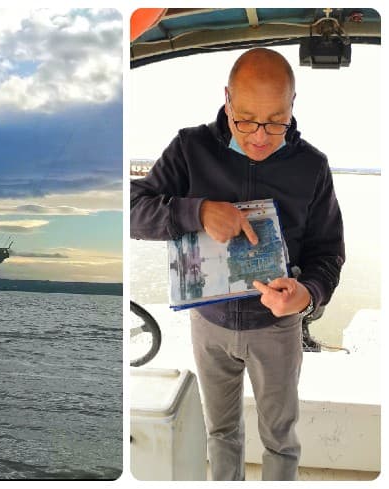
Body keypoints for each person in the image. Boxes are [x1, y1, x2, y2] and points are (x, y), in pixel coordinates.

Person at [130, 48, 344, 481]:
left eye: (275, 120)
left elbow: (328, 252)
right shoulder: (190, 148)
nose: (261, 136)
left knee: (281, 439)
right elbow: (131, 209)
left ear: (292, 105)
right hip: (209, 325)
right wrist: (198, 211)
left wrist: (308, 295)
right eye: (245, 119)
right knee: (221, 433)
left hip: (278, 329)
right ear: (227, 100)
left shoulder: (312, 167)